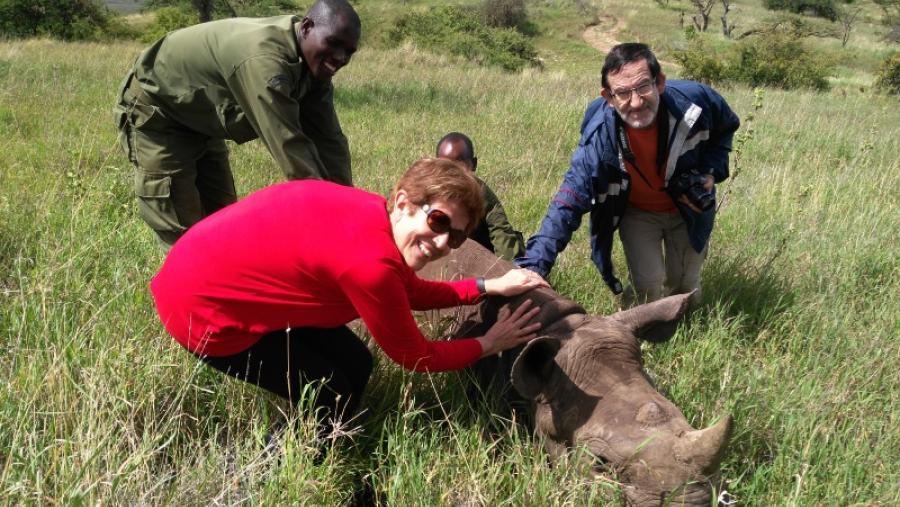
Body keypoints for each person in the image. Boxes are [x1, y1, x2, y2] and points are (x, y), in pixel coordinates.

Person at [150, 158, 549, 429]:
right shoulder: (369, 266)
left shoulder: (373, 218)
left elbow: (404, 289)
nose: (443, 241)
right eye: (439, 220)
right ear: (404, 203)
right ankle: (288, 462)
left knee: (355, 363)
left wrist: (485, 286)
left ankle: (312, 428)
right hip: (203, 314)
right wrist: (488, 342)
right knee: (333, 389)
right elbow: (414, 355)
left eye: (457, 235)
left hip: (210, 276)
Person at [113, 0, 361, 247]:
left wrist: (349, 207)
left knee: (222, 222)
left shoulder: (313, 65)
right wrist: (332, 220)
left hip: (201, 116)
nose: (339, 58)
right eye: (333, 43)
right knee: (185, 238)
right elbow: (290, 147)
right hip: (159, 112)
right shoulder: (265, 62)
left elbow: (329, 141)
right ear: (306, 27)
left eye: (349, 51)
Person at [516, 43, 740, 305]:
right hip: (638, 213)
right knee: (648, 286)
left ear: (660, 83)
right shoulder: (600, 136)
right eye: (622, 93)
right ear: (608, 97)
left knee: (685, 286)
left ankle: (684, 331)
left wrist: (711, 171)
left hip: (688, 209)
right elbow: (567, 201)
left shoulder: (695, 103)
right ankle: (641, 336)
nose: (635, 102)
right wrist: (533, 266)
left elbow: (726, 127)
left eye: (643, 86)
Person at [436, 132, 525, 260]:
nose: (452, 176)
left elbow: (503, 239)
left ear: (474, 164)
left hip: (477, 262)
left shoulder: (482, 195)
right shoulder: (427, 189)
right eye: (445, 167)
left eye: (459, 167)